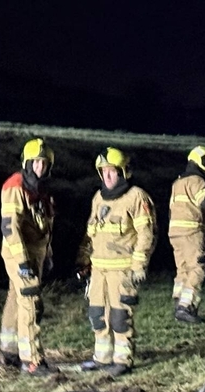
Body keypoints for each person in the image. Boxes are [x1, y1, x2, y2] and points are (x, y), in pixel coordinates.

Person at [75, 147, 157, 377]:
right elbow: (90, 233)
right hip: (98, 269)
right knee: (97, 314)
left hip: (122, 270)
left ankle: (123, 359)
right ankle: (102, 357)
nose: (108, 176)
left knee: (120, 316)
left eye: (112, 171)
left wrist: (139, 264)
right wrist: (82, 260)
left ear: (123, 172)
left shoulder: (137, 197)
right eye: (104, 172)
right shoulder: (98, 198)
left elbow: (147, 233)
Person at [0, 138, 56, 376]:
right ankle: (32, 360)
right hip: (20, 254)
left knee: (17, 298)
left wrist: (48, 253)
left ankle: (10, 351)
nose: (40, 168)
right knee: (31, 300)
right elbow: (10, 228)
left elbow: (46, 226)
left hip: (36, 254)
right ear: (26, 162)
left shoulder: (40, 191)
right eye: (36, 163)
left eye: (43, 164)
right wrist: (22, 262)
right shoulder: (15, 186)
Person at [169, 146, 205, 324]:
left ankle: (179, 300)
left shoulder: (177, 183)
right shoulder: (197, 181)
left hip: (174, 232)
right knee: (200, 266)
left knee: (183, 268)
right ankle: (186, 305)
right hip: (192, 230)